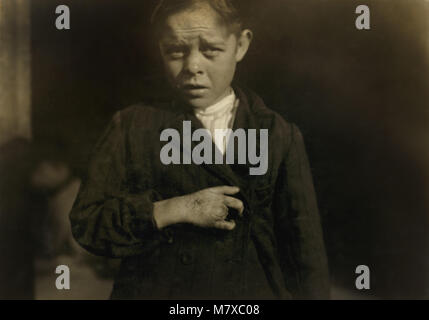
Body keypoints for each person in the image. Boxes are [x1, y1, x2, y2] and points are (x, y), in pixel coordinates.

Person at [70, 0, 329, 299]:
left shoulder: (278, 133)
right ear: (160, 50)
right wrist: (173, 209)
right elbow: (87, 222)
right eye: (175, 51)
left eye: (211, 50)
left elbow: (306, 253)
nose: (193, 66)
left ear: (241, 45)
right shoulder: (132, 126)